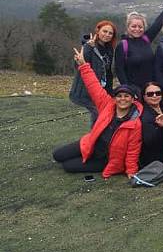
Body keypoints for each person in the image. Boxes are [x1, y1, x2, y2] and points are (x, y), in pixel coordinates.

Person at [54, 46, 142, 178]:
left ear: (132, 99)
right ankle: (85, 154)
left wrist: (131, 170)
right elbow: (93, 85)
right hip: (92, 144)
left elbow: (133, 150)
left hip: (106, 159)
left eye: (126, 96)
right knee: (58, 155)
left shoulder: (135, 122)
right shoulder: (107, 105)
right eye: (119, 96)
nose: (122, 99)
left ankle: (88, 160)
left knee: (68, 166)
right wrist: (84, 65)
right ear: (115, 98)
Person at [114, 0, 163, 91]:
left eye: (140, 27)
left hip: (151, 89)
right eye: (133, 26)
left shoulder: (146, 39)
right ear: (128, 27)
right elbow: (120, 70)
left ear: (144, 27)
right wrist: (128, 90)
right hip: (134, 90)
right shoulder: (123, 45)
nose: (137, 29)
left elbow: (159, 22)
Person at [69, 20, 118, 125]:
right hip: (85, 93)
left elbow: (108, 73)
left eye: (110, 33)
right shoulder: (89, 46)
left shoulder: (109, 49)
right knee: (96, 116)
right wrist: (88, 48)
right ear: (98, 31)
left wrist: (109, 93)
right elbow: (79, 65)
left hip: (101, 91)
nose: (107, 35)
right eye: (105, 31)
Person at [139, 82, 163, 167]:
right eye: (150, 94)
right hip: (154, 156)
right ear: (144, 97)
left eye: (158, 93)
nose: (154, 96)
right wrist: (162, 127)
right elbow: (150, 142)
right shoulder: (144, 115)